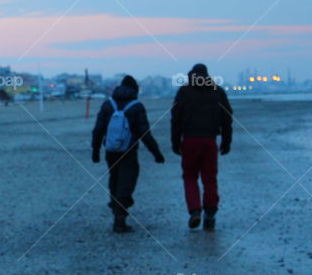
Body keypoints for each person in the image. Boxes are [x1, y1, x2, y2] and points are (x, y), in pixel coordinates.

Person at [91, 75, 165, 233]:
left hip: (110, 150)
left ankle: (116, 210)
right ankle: (120, 216)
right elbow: (145, 133)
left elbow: (98, 130)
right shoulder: (136, 106)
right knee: (127, 181)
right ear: (135, 90)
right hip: (129, 151)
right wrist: (156, 153)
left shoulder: (107, 105)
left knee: (114, 179)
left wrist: (95, 150)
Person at [170, 64, 233, 230]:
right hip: (209, 140)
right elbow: (227, 118)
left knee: (190, 177)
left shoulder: (184, 92)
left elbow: (175, 119)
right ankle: (210, 215)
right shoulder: (217, 91)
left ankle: (195, 210)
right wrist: (226, 141)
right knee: (210, 178)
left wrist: (175, 142)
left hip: (189, 140)